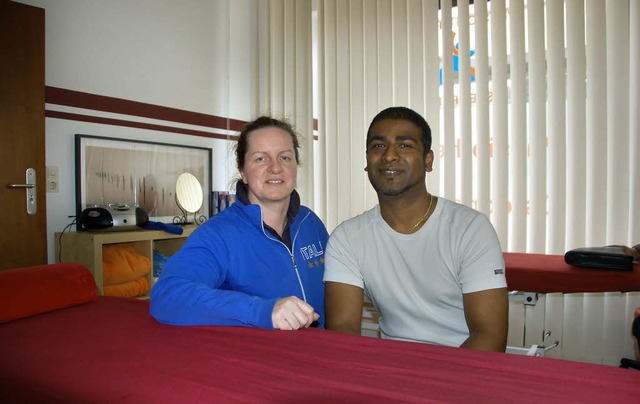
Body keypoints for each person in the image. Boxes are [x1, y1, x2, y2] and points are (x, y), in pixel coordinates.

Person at [323, 106, 509, 352]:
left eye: (405, 145)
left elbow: (490, 336)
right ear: (367, 160)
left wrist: (433, 387)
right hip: (392, 371)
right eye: (379, 146)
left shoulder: (470, 228)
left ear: (428, 160)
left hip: (465, 370)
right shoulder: (347, 238)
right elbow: (343, 332)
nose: (389, 155)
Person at [151, 116, 328, 330]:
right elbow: (168, 295)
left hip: (319, 355)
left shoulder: (311, 223)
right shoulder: (219, 234)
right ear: (243, 172)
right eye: (261, 159)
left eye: (285, 157)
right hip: (260, 359)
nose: (275, 168)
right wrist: (262, 310)